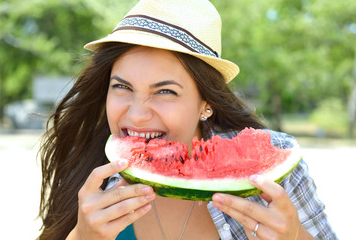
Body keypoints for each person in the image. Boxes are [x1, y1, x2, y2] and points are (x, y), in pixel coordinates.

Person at [37, 0, 338, 239]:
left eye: (165, 91)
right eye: (122, 87)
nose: (137, 114)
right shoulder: (89, 179)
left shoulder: (275, 178)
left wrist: (296, 237)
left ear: (205, 103)